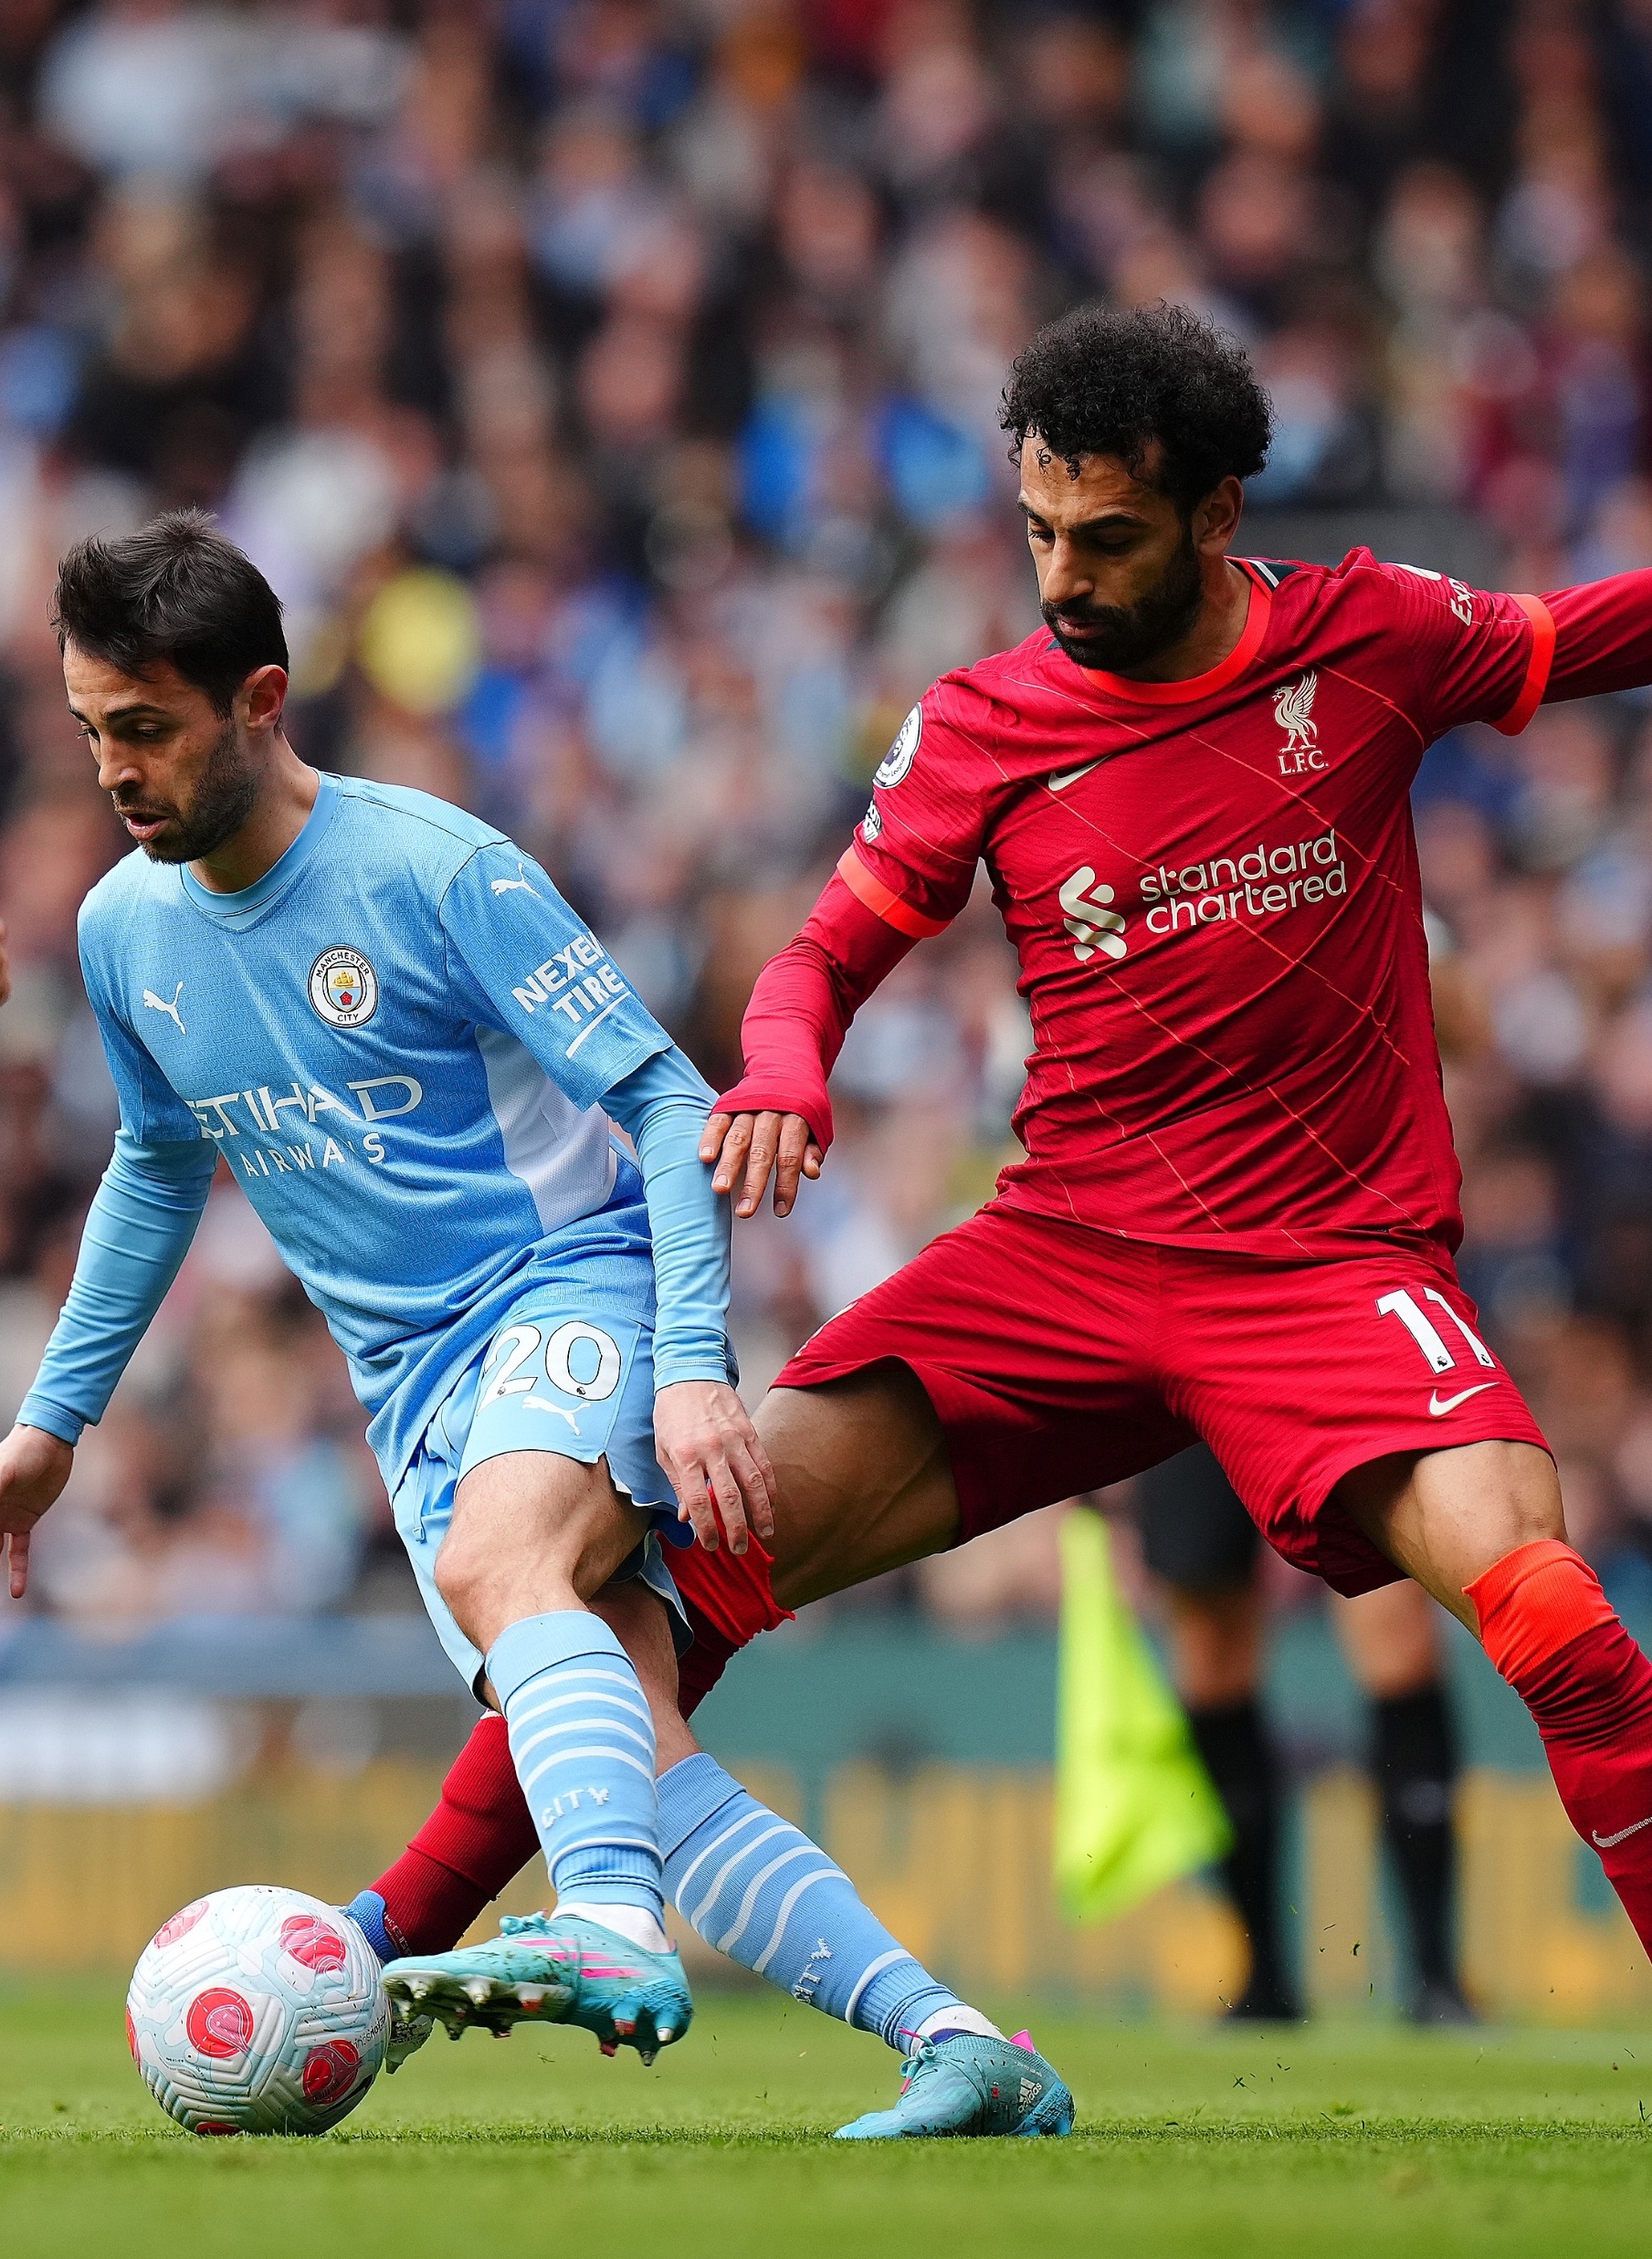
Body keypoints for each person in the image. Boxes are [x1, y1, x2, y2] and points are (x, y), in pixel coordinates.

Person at [385, 301, 1652, 2126]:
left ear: (1218, 511)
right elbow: (818, 959)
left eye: (1107, 539)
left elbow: (1584, 631)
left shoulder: (1373, 636)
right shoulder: (985, 723)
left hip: (1323, 1270)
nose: (1062, 577)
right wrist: (785, 1067)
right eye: (1037, 535)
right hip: (1066, 1261)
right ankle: (376, 1957)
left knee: (1540, 1596)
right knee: (654, 1580)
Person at [0, 512, 1072, 2139]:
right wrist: (51, 1431)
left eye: (145, 729)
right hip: (411, 1384)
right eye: (91, 732)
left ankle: (607, 1925)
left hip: (569, 1286)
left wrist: (695, 1365)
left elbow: (660, 1096)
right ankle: (955, 2042)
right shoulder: (122, 933)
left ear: (261, 700)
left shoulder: (437, 869)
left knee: (503, 1570)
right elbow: (156, 1174)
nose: (115, 770)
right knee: (634, 1758)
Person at [1135, 1445, 1472, 2024]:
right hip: (1188, 1388)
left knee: (1396, 1625)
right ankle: (1262, 1975)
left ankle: (1436, 1976)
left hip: (1331, 1368)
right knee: (1209, 1657)